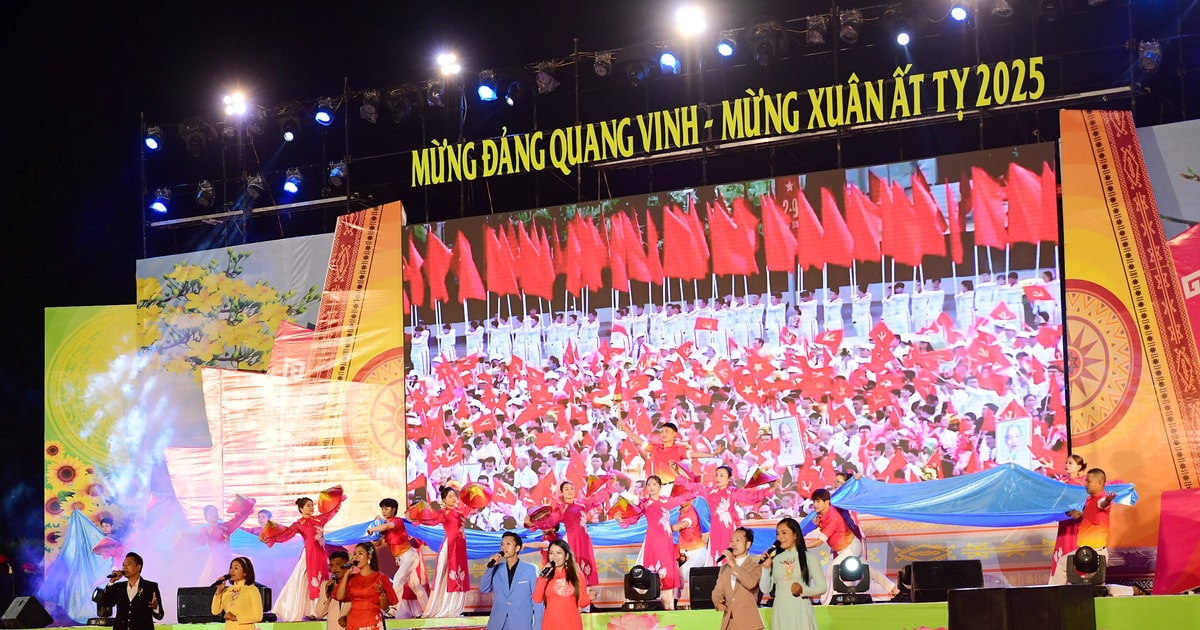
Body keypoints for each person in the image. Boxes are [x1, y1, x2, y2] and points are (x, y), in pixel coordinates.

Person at [1048, 468, 1136, 596]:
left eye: (1089, 482)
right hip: (1084, 552)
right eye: (1086, 481)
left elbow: (1103, 504)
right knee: (1064, 564)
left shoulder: (1101, 498)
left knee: (1097, 589)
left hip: (1095, 553)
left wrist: (1108, 500)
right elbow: (1081, 515)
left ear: (1099, 483)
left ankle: (1132, 591)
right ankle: (1054, 595)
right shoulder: (1088, 500)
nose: (1086, 484)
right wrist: (1072, 512)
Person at [260, 493, 347, 621]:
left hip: (321, 555)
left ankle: (320, 610)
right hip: (309, 555)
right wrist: (268, 537)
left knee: (321, 580)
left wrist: (338, 500)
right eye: (308, 506)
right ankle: (307, 610)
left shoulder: (319, 519)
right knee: (304, 580)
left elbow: (330, 512)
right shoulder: (299, 524)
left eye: (312, 505)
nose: (311, 508)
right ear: (301, 508)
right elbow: (286, 534)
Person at [527, 478, 614, 602]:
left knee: (586, 569)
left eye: (571, 489)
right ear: (562, 493)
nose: (569, 491)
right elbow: (550, 521)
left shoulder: (582, 504)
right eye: (566, 489)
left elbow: (596, 498)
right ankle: (573, 600)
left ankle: (585, 601)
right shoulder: (561, 508)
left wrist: (609, 485)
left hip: (584, 541)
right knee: (573, 569)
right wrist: (533, 522)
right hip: (572, 541)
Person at [807, 488, 898, 604]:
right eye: (814, 501)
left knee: (835, 566)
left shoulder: (832, 517)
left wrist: (803, 545)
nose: (815, 505)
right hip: (845, 548)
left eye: (818, 501)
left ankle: (828, 600)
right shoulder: (822, 515)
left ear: (827, 502)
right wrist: (818, 524)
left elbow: (820, 541)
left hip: (851, 547)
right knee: (869, 570)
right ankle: (894, 589)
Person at [619, 475, 696, 610]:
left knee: (667, 572)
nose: (651, 487)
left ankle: (670, 607)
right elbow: (633, 518)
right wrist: (620, 519)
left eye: (654, 484)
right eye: (649, 484)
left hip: (665, 540)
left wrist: (688, 484)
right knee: (653, 572)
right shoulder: (644, 504)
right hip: (652, 540)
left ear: (660, 487)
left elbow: (685, 497)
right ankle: (654, 605)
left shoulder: (667, 501)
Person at [673, 464, 776, 565]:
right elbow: (692, 486)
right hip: (715, 531)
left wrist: (771, 489)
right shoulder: (710, 492)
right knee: (716, 557)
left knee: (730, 554)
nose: (718, 478)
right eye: (717, 475)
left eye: (722, 475)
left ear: (729, 479)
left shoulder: (732, 492)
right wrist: (677, 472)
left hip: (730, 530)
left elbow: (752, 497)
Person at [414, 486, 474, 618]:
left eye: (454, 496)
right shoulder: (443, 513)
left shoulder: (460, 511)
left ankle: (455, 608)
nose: (453, 498)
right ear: (444, 500)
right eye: (450, 496)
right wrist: (418, 517)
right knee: (447, 576)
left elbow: (472, 506)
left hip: (460, 546)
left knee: (460, 575)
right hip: (450, 546)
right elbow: (432, 520)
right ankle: (444, 607)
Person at [365, 498, 427, 615]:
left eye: (386, 508)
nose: (384, 511)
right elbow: (378, 543)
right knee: (415, 586)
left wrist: (374, 528)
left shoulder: (397, 521)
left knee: (398, 581)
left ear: (393, 510)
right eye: (382, 508)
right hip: (402, 559)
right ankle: (427, 610)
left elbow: (387, 526)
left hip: (409, 556)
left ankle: (393, 610)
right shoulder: (385, 526)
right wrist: (372, 538)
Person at [760, 518, 824, 630]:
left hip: (800, 609)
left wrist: (803, 591)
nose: (780, 537)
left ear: (795, 535)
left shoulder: (809, 558)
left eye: (784, 533)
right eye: (777, 534)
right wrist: (766, 568)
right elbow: (765, 589)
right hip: (780, 611)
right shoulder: (775, 560)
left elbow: (822, 587)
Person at [480, 531, 540, 630]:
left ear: (517, 548)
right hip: (497, 624)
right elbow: (484, 589)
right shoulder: (496, 568)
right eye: (502, 544)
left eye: (508, 544)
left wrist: (539, 627)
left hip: (521, 624)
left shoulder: (531, 569)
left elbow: (538, 602)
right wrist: (490, 567)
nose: (504, 547)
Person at [335, 543, 399, 630]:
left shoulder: (380, 578)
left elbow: (385, 607)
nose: (356, 557)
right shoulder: (352, 579)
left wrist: (381, 594)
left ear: (369, 556)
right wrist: (346, 574)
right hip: (353, 620)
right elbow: (340, 596)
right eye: (354, 554)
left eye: (360, 553)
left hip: (371, 620)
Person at [711, 527, 764, 630]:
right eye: (731, 540)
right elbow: (717, 591)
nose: (733, 544)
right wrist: (717, 602)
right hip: (729, 623)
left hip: (749, 623)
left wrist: (733, 565)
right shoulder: (724, 568)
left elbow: (751, 583)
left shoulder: (756, 565)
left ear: (748, 544)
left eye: (738, 540)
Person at [533, 539, 590, 630]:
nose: (554, 557)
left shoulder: (577, 575)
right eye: (551, 553)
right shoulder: (545, 576)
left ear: (566, 556)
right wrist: (542, 577)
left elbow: (582, 602)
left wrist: (590, 597)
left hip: (571, 623)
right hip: (551, 622)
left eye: (558, 553)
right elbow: (537, 599)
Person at [99, 552, 164, 630]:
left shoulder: (150, 587)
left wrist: (155, 607)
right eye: (123, 565)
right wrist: (111, 582)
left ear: (138, 567)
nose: (124, 568)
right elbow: (105, 603)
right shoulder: (118, 587)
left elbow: (160, 616)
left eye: (128, 564)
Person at [1049, 454, 1087, 580]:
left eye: (1071, 463)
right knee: (1064, 547)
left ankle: (1078, 579)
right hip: (1066, 522)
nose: (1067, 465)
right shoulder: (1061, 484)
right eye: (1066, 463)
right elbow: (1057, 503)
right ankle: (1060, 581)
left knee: (1076, 548)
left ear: (1079, 466)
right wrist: (1069, 511)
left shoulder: (1085, 484)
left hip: (1079, 523)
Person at [199, 501, 256, 584]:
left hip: (227, 561)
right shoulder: (205, 531)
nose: (214, 514)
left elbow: (237, 520)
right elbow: (200, 541)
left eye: (215, 511)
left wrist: (245, 505)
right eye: (211, 512)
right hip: (214, 563)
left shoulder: (225, 527)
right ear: (206, 517)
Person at [210, 557, 263, 630]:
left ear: (245, 572)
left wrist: (236, 617)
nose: (232, 571)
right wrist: (218, 591)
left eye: (236, 568)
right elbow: (215, 611)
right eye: (231, 568)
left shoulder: (252, 590)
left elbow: (258, 616)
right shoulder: (227, 590)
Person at [316, 550, 352, 630]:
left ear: (347, 565)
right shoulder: (326, 585)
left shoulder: (355, 583)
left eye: (338, 564)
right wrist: (327, 595)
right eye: (332, 565)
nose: (334, 568)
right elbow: (319, 613)